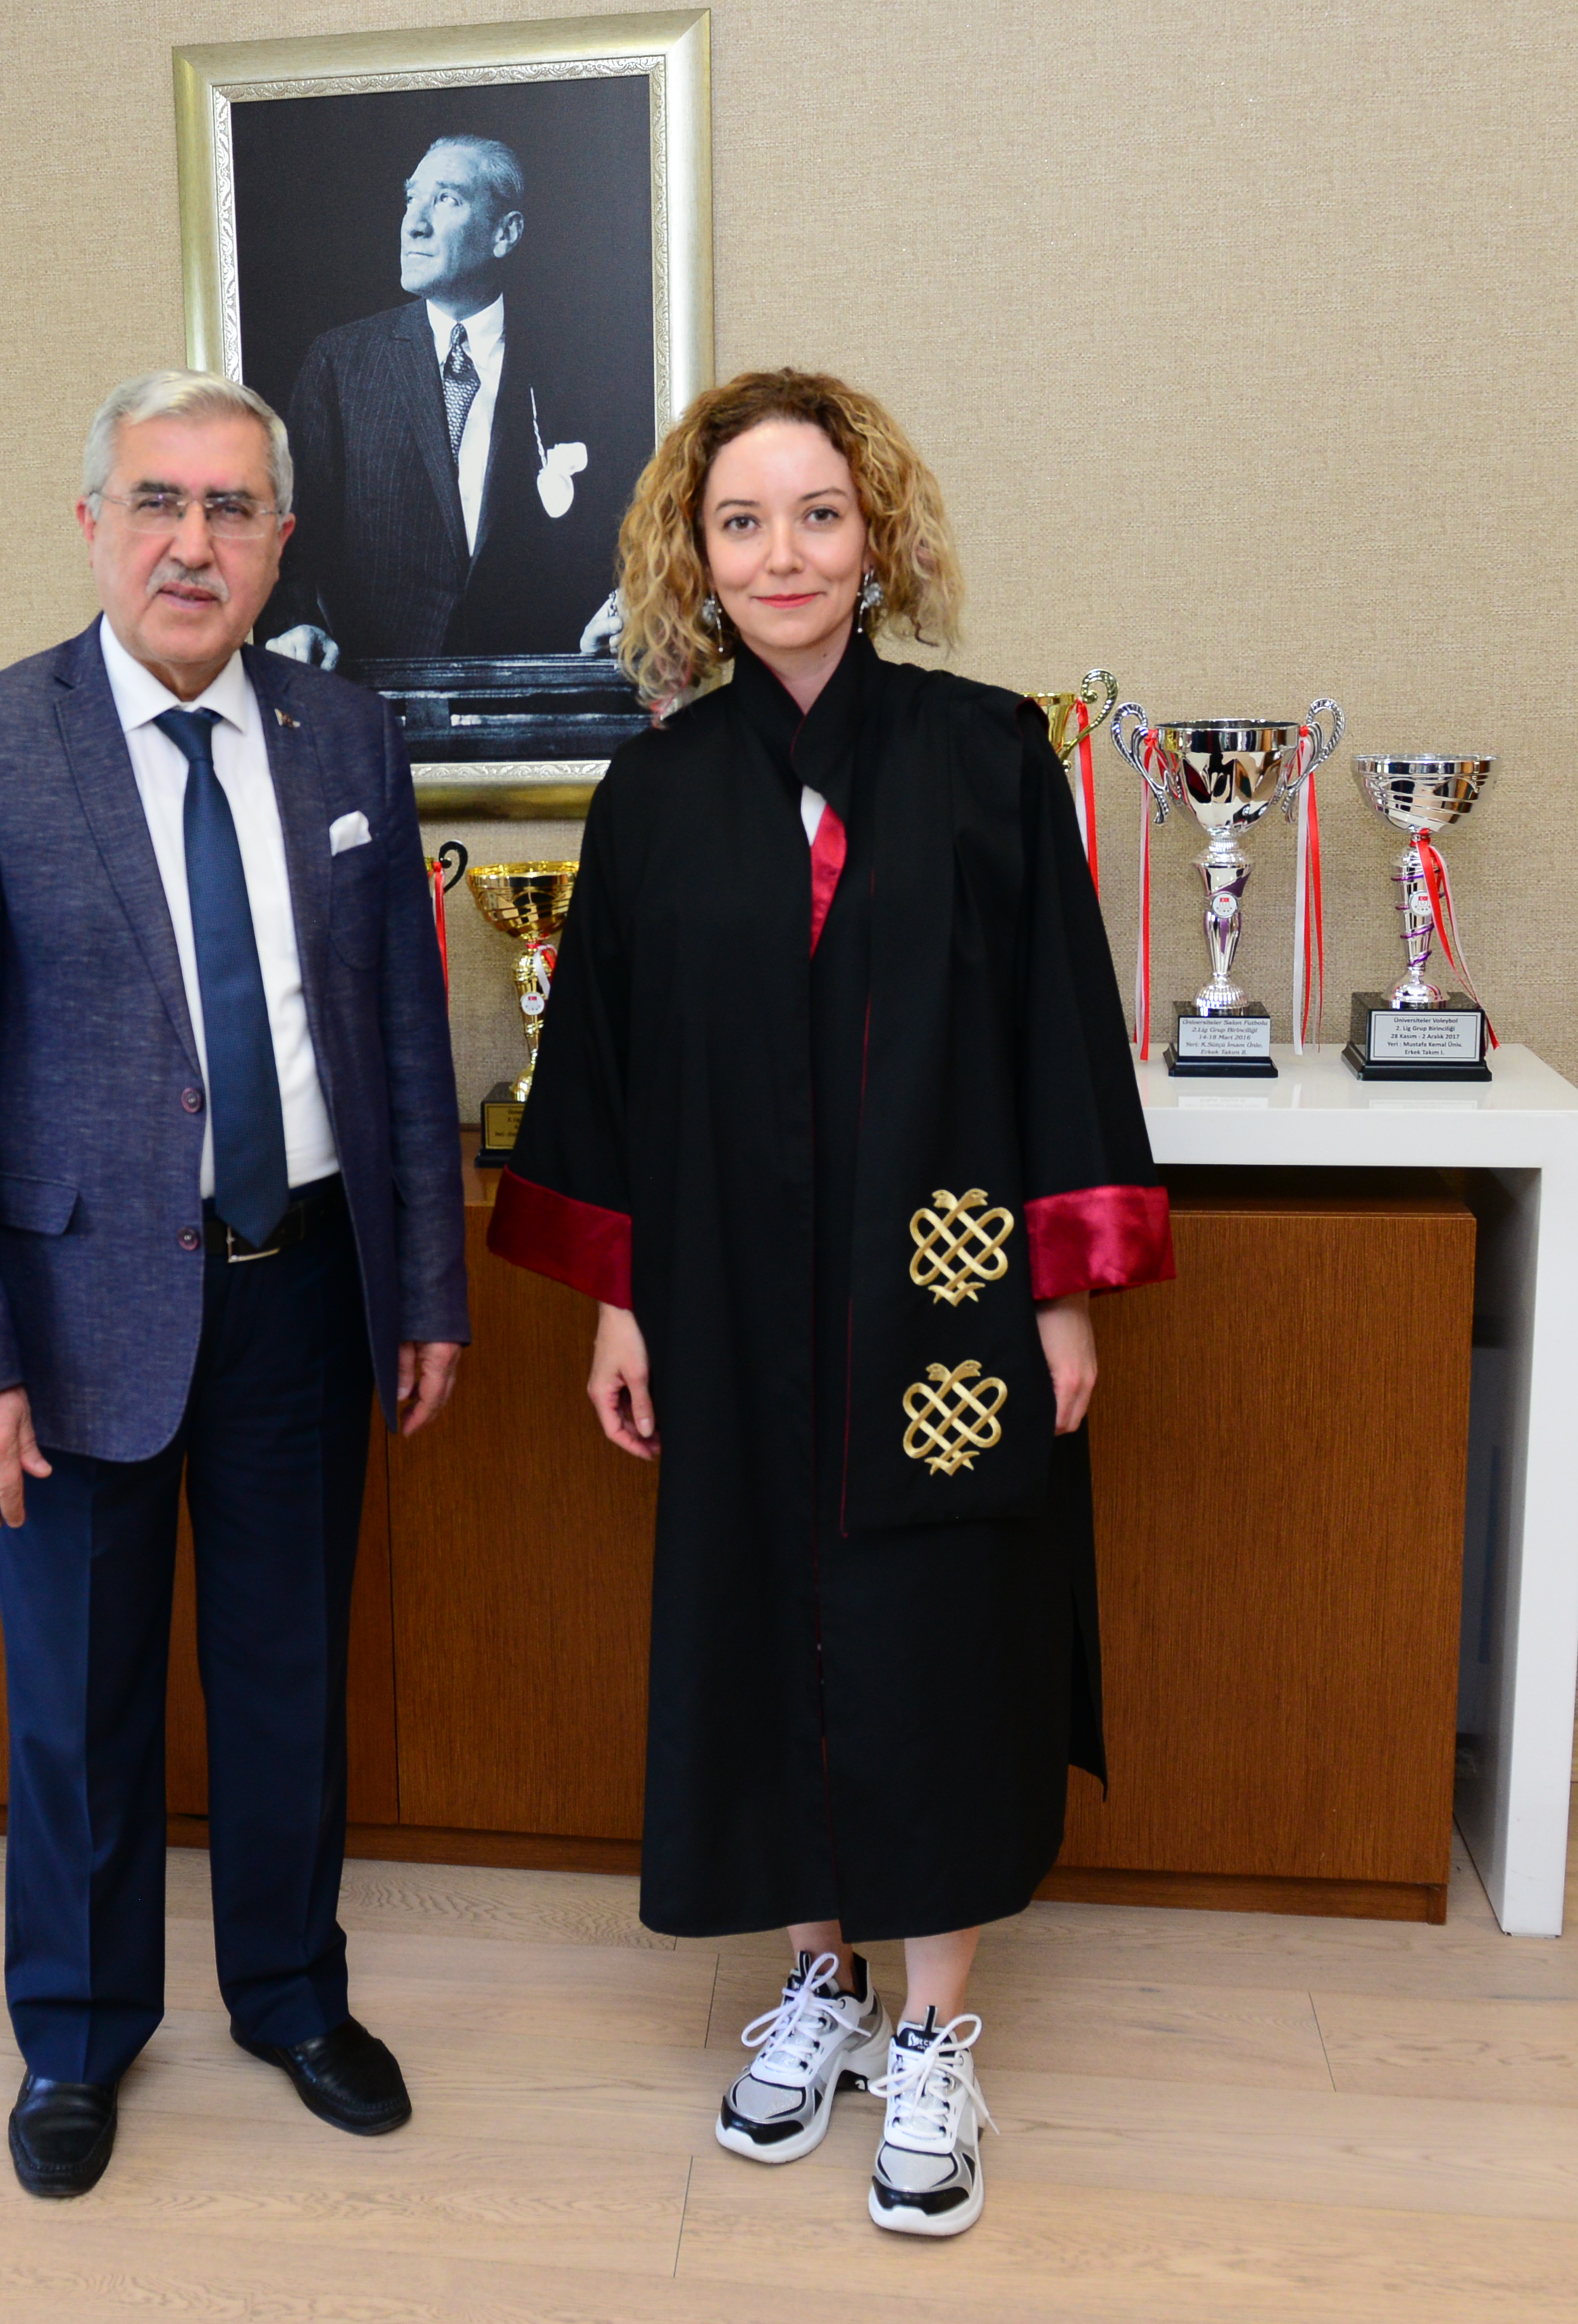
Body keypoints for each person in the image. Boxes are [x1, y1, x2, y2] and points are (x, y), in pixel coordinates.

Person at [483, 368, 1171, 2240]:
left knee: (939, 1632)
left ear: (877, 540)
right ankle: (820, 1979)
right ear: (693, 558)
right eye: (741, 522)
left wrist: (1064, 1290)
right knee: (765, 1617)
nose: (780, 553)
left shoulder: (984, 757)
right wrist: (621, 1302)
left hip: (946, 1295)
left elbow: (1056, 1028)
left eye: (816, 515)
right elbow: (605, 1068)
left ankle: (934, 2026)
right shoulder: (656, 793)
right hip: (728, 1298)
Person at [0, 368, 473, 2201]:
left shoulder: (348, 737)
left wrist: (426, 1291)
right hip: (70, 1325)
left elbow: (402, 1035)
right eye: (157, 502)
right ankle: (75, 2035)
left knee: (290, 1681)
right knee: (78, 1703)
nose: (192, 543)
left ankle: (293, 1996)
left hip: (305, 1290)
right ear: (92, 527)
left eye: (230, 508)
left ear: (281, 541)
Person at [264, 135, 628, 663]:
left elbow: (626, 526)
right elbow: (290, 533)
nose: (413, 223)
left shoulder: (580, 367)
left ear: (505, 233)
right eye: (411, 198)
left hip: (538, 687)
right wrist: (298, 624)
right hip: (381, 692)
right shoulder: (340, 364)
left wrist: (622, 609)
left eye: (446, 199)